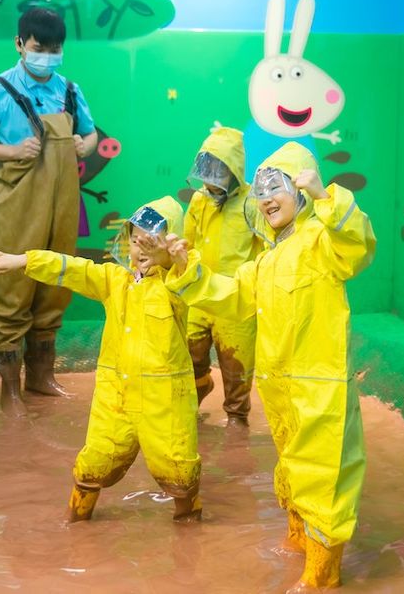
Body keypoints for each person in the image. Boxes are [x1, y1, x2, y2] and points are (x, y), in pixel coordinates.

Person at [147, 142, 375, 590]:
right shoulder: (266, 258)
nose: (267, 198)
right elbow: (231, 296)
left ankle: (322, 576)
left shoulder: (323, 240)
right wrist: (183, 267)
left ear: (303, 191)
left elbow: (358, 244)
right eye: (262, 190)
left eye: (279, 187)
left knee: (324, 474)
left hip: (319, 387)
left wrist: (329, 198)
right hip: (281, 388)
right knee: (291, 468)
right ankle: (297, 542)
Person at [0, 196, 203, 523]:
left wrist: (173, 262)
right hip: (116, 398)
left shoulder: (176, 286)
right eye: (135, 238)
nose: (140, 248)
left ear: (168, 245)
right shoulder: (115, 280)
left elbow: (189, 274)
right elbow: (72, 269)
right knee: (94, 465)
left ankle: (188, 525)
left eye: (151, 240)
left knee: (179, 472)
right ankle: (75, 521)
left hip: (166, 401)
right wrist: (25, 261)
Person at [0, 7, 99, 416]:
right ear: (20, 44)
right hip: (18, 199)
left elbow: (90, 135)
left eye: (55, 49)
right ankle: (10, 390)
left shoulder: (69, 90)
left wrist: (82, 146)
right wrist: (11, 150)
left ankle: (41, 377)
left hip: (62, 200)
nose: (47, 56)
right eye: (39, 48)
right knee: (13, 285)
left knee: (56, 279)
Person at [182, 127, 263, 426]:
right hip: (200, 294)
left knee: (236, 364)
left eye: (218, 171)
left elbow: (266, 249)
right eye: (206, 170)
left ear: (234, 170)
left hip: (236, 299)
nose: (209, 179)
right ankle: (200, 386)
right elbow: (188, 243)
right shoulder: (198, 202)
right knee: (190, 351)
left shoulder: (252, 203)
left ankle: (237, 415)